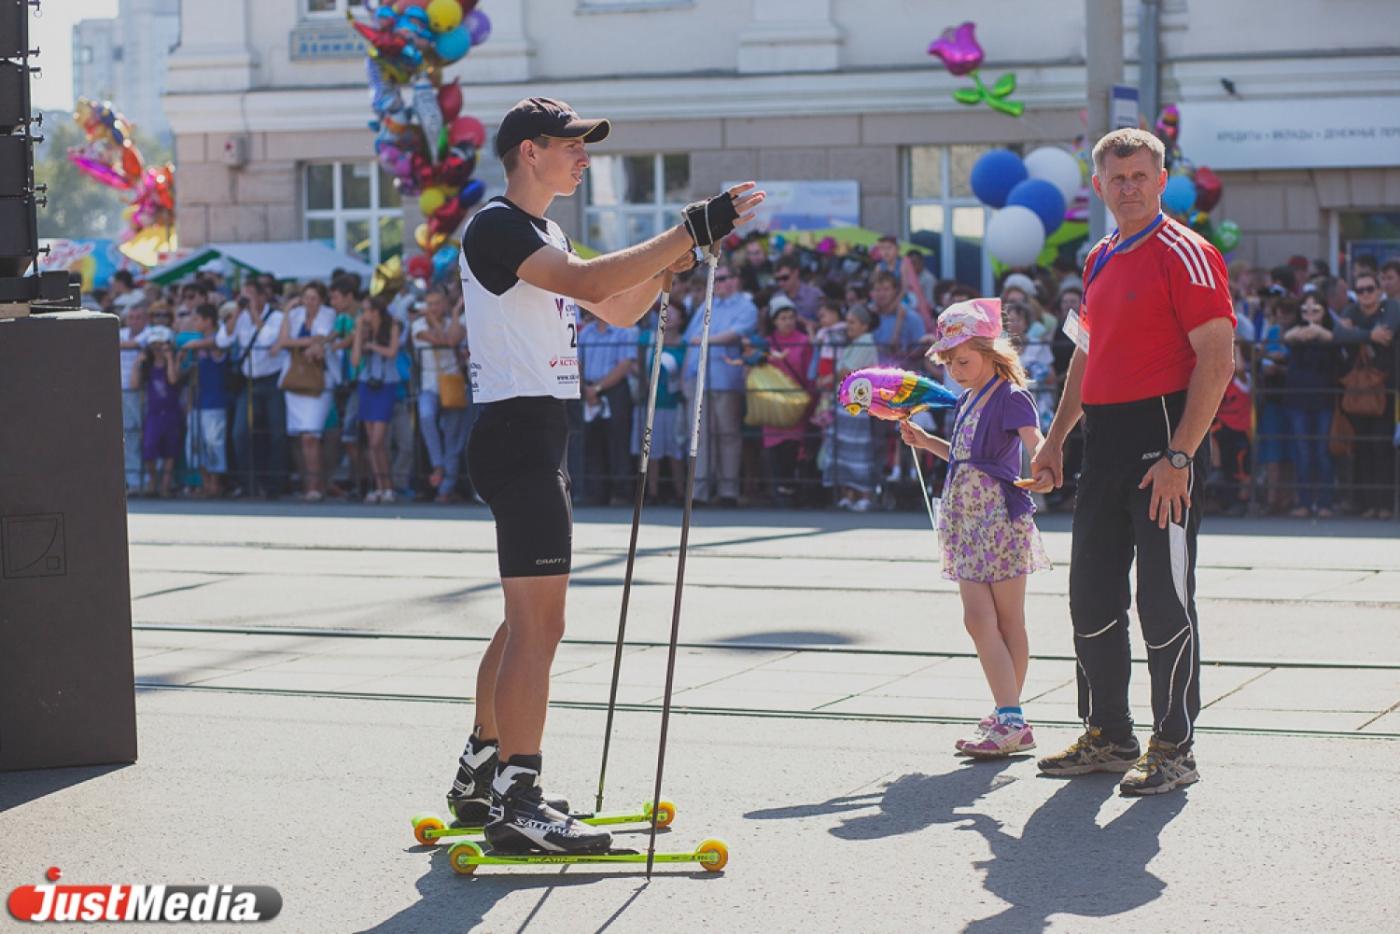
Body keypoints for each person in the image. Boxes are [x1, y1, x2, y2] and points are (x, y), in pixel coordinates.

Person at [445, 95, 762, 856]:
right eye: (571, 145)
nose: (584, 157)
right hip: (518, 434)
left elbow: (617, 306)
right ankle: (519, 798)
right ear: (529, 151)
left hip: (533, 435)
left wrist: (681, 259)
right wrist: (682, 231)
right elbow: (591, 288)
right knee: (541, 628)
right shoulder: (498, 225)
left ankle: (481, 772)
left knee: (526, 621)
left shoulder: (543, 232)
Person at [1030, 127, 1235, 796]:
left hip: (1162, 439)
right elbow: (1087, 356)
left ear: (1162, 178)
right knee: (1090, 594)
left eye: (1140, 176)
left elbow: (1217, 357)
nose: (1128, 187)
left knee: (1164, 600)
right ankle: (1109, 735)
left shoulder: (1188, 252)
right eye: (1116, 178)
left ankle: (1174, 746)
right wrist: (1057, 438)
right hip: (1106, 444)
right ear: (1098, 185)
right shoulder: (1099, 255)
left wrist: (1181, 454)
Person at [900, 299, 1052, 757]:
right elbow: (966, 457)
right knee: (982, 618)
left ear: (990, 351)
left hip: (1000, 517)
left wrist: (1045, 465)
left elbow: (1035, 440)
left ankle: (1010, 716)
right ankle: (1009, 713)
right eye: (949, 363)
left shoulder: (1010, 395)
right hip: (968, 519)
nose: (956, 371)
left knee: (1003, 620)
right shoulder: (968, 398)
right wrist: (928, 442)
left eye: (962, 361)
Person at [681, 262, 757, 507]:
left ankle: (728, 491)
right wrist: (685, 376)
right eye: (717, 279)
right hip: (698, 377)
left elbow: (735, 334)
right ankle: (699, 492)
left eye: (723, 278)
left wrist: (704, 341)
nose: (719, 283)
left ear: (735, 280)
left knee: (727, 434)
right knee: (700, 437)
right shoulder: (706, 304)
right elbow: (688, 342)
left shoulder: (746, 306)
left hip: (725, 377)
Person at [1333, 271, 1400, 518]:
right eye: (1360, 290)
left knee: (1381, 446)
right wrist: (1369, 334)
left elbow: (1389, 333)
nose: (1365, 294)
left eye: (1369, 289)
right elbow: (1339, 335)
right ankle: (1365, 504)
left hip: (1386, 389)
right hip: (1358, 391)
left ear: (1379, 289)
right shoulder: (1351, 310)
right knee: (1361, 448)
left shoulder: (1391, 306)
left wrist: (1357, 333)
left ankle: (1384, 505)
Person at [217, 280, 288, 499]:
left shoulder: (275, 317)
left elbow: (268, 340)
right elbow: (222, 340)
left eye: (251, 295)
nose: (247, 300)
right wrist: (237, 313)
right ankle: (248, 483)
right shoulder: (240, 317)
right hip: (249, 383)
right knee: (240, 433)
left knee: (277, 434)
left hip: (272, 381)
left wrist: (256, 314)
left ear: (261, 297)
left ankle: (275, 485)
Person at [1280, 295, 1341, 517]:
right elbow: (1285, 337)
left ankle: (1325, 502)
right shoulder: (1294, 330)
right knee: (1303, 450)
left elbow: (1339, 342)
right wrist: (1301, 331)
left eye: (1315, 309)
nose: (1310, 313)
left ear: (1325, 311)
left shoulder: (1331, 331)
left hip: (1324, 397)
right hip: (1297, 399)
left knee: (1323, 451)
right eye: (1306, 310)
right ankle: (1304, 502)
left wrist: (1321, 333)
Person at [276, 281, 337, 501]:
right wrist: (285, 313)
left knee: (312, 434)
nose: (309, 302)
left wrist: (297, 342)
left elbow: (319, 339)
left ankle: (317, 484)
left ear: (321, 299)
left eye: (314, 298)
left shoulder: (328, 314)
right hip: (295, 378)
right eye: (306, 298)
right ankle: (309, 483)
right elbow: (283, 340)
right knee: (302, 436)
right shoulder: (295, 315)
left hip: (319, 379)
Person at [412, 287, 470, 502]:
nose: (433, 308)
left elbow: (449, 340)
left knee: (453, 437)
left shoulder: (455, 322)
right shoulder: (417, 325)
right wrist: (431, 321)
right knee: (426, 416)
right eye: (429, 304)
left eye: (437, 303)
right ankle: (438, 464)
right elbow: (436, 339)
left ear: (444, 304)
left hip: (452, 382)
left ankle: (445, 488)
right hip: (429, 382)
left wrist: (454, 313)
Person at [577, 310, 639, 505]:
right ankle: (595, 493)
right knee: (592, 442)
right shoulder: (586, 331)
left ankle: (621, 494)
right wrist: (585, 389)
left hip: (615, 391)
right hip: (588, 390)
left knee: (618, 442)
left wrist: (597, 388)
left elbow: (625, 364)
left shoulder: (627, 329)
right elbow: (577, 361)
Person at [760, 295, 813, 503]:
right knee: (773, 451)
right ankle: (778, 494)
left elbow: (809, 370)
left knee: (793, 450)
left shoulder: (803, 341)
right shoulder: (766, 344)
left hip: (796, 405)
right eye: (783, 318)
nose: (788, 321)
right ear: (774, 320)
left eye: (791, 317)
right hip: (773, 406)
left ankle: (792, 494)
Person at [351, 295, 403, 504]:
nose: (364, 315)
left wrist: (372, 346)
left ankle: (387, 485)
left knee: (377, 440)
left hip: (385, 384)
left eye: (366, 310)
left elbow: (392, 352)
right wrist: (358, 334)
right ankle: (379, 487)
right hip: (367, 383)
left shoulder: (392, 326)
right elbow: (355, 361)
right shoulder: (364, 331)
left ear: (376, 311)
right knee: (371, 442)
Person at [828, 306, 880, 510]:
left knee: (859, 450)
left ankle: (864, 495)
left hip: (857, 404)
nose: (847, 326)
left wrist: (839, 372)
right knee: (845, 450)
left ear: (864, 326)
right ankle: (849, 494)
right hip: (848, 403)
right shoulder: (856, 344)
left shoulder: (866, 343)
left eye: (852, 322)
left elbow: (846, 372)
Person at [180, 304, 230, 498]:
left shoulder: (217, 341)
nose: (194, 323)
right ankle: (205, 482)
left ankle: (215, 484)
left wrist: (190, 345)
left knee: (213, 442)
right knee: (195, 443)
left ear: (208, 321)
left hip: (215, 402)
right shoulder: (199, 344)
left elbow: (218, 343)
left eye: (198, 319)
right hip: (199, 401)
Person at [134, 325, 182, 497]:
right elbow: (134, 384)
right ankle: (153, 481)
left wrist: (169, 358)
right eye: (154, 346)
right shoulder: (147, 366)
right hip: (154, 414)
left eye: (161, 345)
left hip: (171, 412)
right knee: (149, 447)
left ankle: (165, 485)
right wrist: (137, 363)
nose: (157, 349)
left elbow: (173, 379)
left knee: (171, 449)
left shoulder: (173, 361)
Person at [117, 303, 148, 491]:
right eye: (131, 317)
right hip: (121, 391)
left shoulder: (150, 333)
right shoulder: (120, 332)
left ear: (145, 319)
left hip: (141, 392)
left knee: (141, 433)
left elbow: (139, 344)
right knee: (128, 436)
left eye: (138, 317)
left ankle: (145, 480)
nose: (134, 321)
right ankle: (134, 481)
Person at [773, 255, 825, 328]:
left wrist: (804, 322)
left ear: (796, 273)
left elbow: (827, 325)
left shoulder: (815, 294)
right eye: (777, 279)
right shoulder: (776, 298)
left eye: (785, 278)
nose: (781, 283)